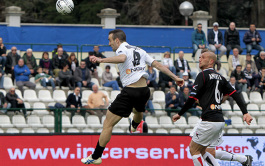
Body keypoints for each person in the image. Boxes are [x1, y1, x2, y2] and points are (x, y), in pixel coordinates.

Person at [81, 29, 183, 164]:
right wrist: (176, 77)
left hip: (130, 91)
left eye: (110, 41)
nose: (109, 44)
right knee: (138, 111)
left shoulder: (121, 49)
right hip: (144, 90)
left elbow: (122, 58)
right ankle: (134, 125)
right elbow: (158, 65)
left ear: (117, 40)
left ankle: (96, 156)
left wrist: (101, 59)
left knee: (108, 124)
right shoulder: (139, 50)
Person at [172, 51, 253, 166]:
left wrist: (180, 113)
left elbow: (191, 97)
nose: (199, 59)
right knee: (204, 151)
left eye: (203, 57)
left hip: (208, 120)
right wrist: (245, 112)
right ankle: (243, 159)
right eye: (199, 57)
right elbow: (236, 94)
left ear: (211, 61)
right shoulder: (221, 78)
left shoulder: (203, 75)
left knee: (194, 150)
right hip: (219, 120)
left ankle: (243, 159)